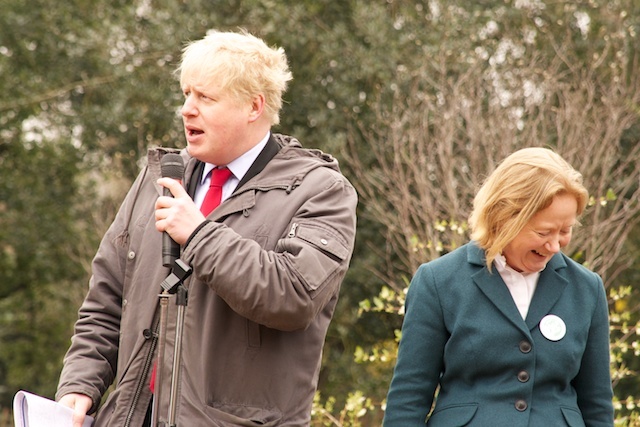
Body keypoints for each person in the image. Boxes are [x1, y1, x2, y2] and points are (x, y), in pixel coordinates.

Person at [56, 29, 357, 427]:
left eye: (205, 98)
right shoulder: (159, 178)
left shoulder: (321, 191)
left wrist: (198, 236)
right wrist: (79, 386)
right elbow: (106, 301)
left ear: (254, 107)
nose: (186, 109)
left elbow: (294, 297)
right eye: (186, 94)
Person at [383, 147, 614, 426]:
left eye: (565, 230)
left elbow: (597, 405)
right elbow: (407, 402)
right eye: (543, 232)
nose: (555, 245)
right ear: (504, 218)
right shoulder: (437, 282)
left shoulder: (587, 289)